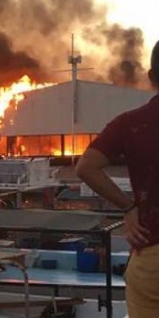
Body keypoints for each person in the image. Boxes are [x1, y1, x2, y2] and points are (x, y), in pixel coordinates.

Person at [76, 40, 159, 317]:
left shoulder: (131, 123)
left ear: (151, 77)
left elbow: (86, 167)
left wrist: (128, 207)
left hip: (152, 259)